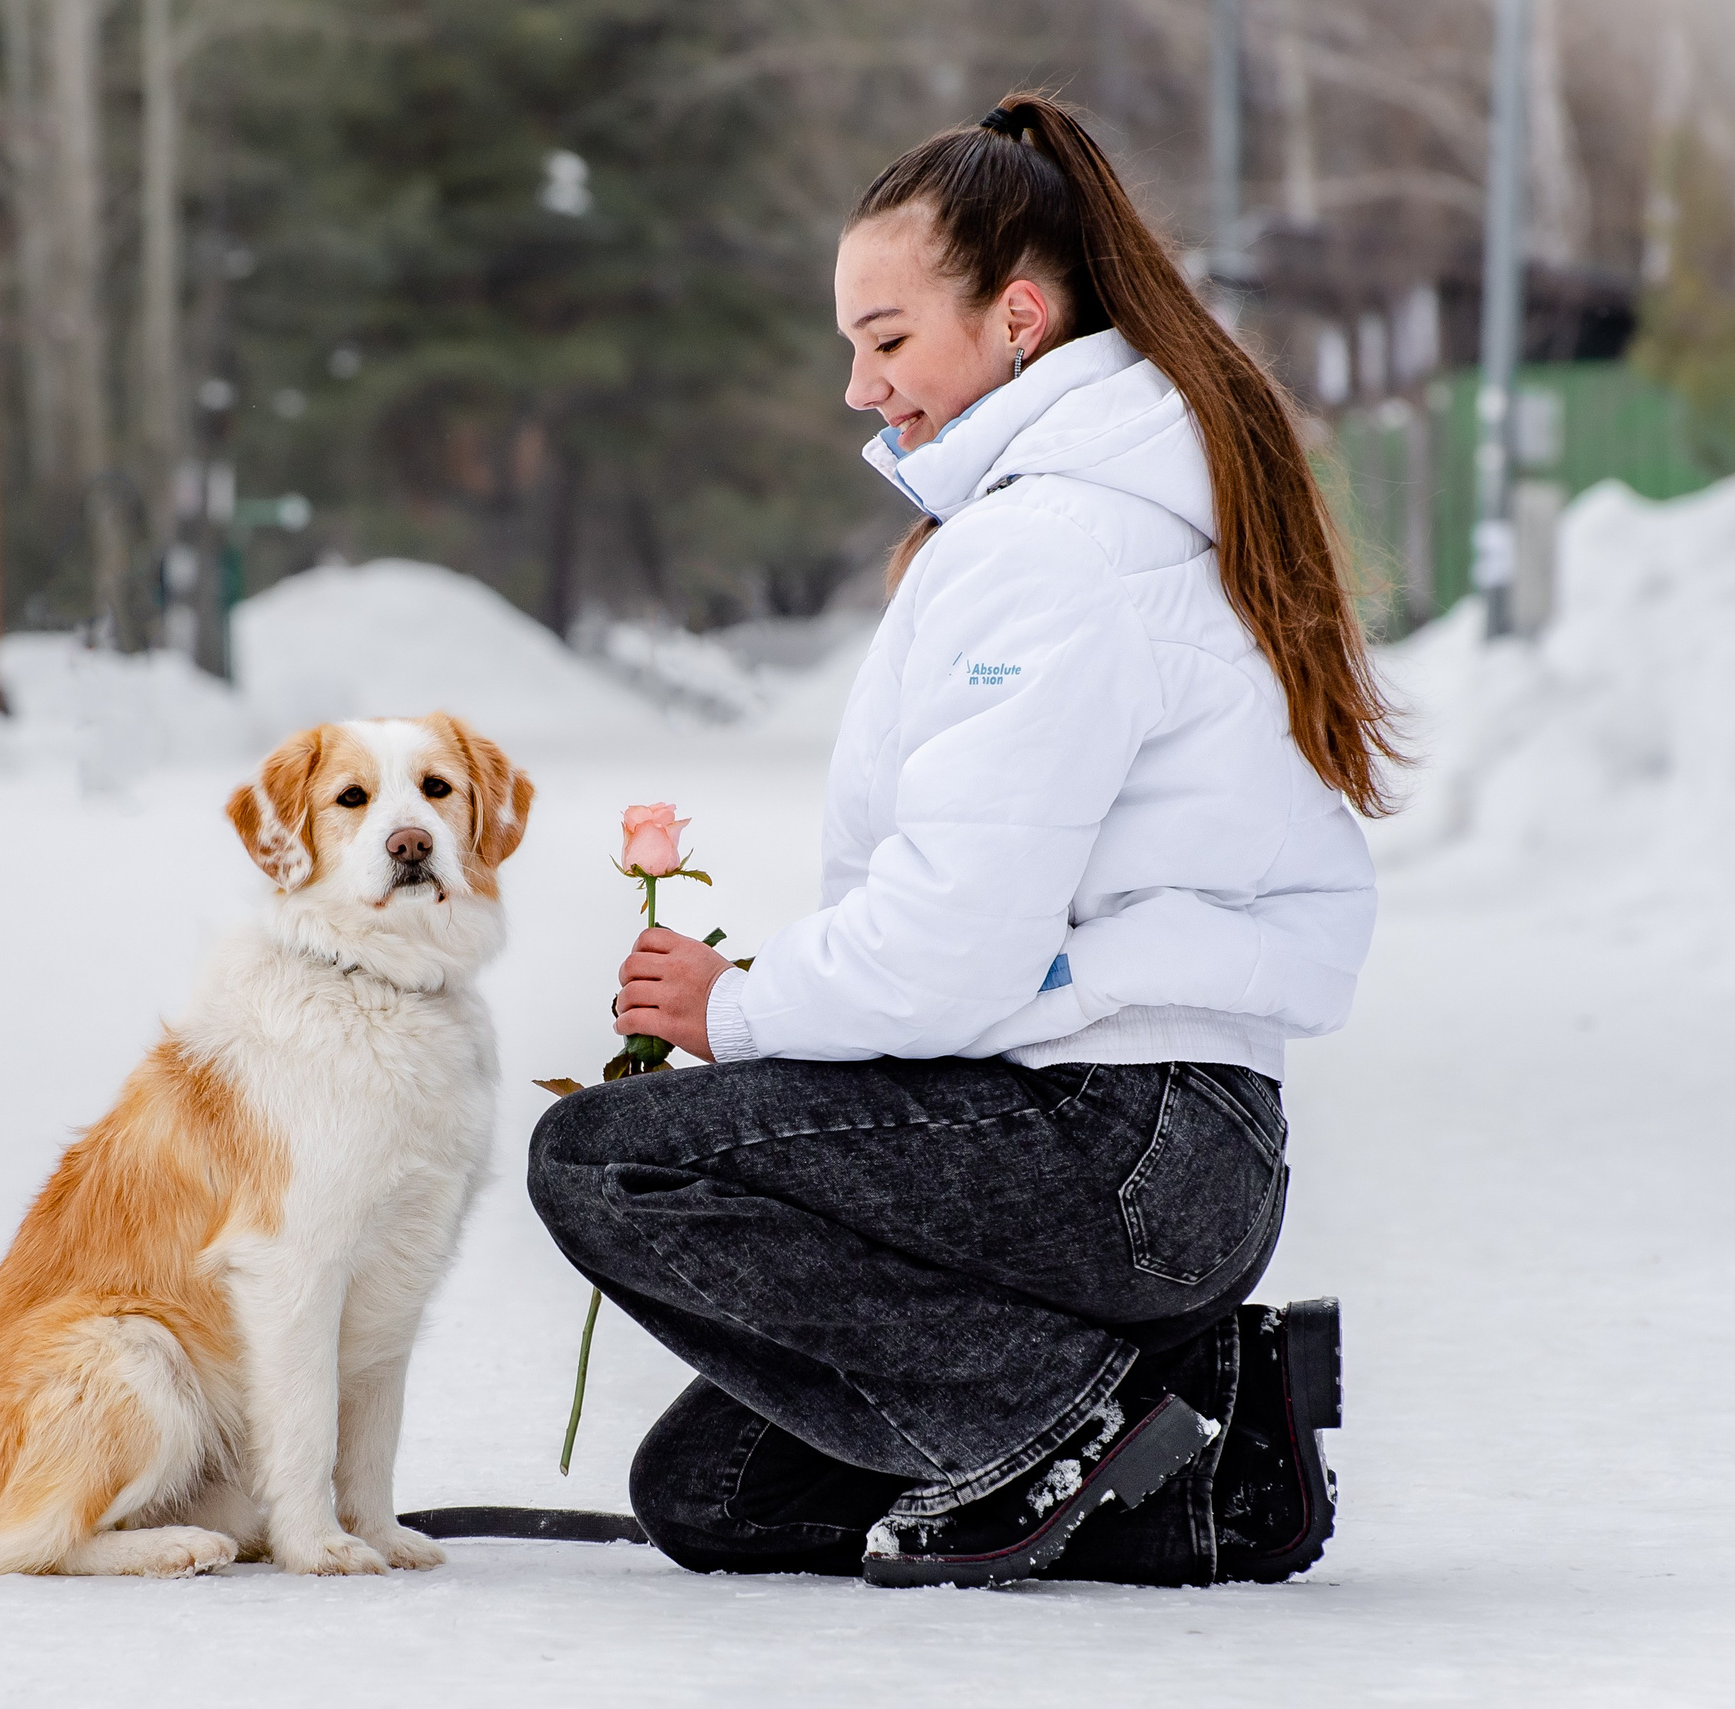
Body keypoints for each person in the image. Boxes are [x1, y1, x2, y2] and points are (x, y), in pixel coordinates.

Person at [526, 94, 1399, 1590]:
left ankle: (1072, 1414)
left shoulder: (1055, 546)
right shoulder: (1107, 514)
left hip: (1120, 1140)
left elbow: (955, 941)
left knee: (609, 1166)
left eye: (887, 339)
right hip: (1159, 1146)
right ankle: (1210, 1446)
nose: (861, 386)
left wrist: (736, 1007)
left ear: (1015, 317)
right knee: (711, 1488)